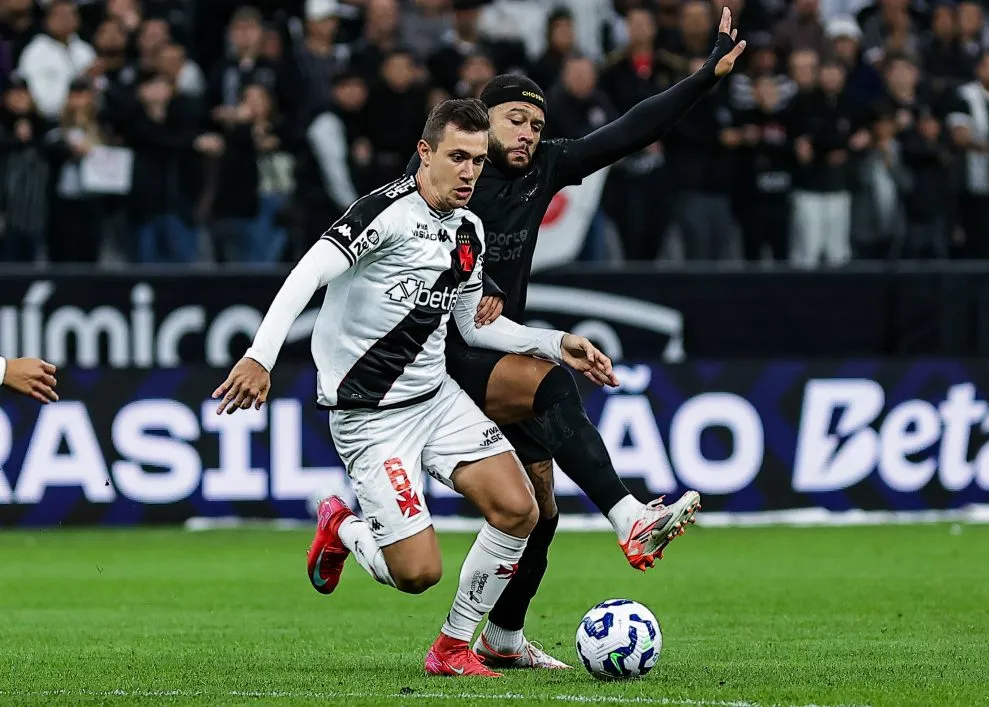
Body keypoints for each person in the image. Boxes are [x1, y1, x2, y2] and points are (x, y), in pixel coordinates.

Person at [211, 98, 617, 678]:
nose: (470, 172)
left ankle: (452, 648)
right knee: (416, 574)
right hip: (370, 419)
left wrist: (554, 344)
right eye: (457, 157)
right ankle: (341, 525)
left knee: (520, 509)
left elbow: (475, 323)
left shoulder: (467, 231)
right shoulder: (384, 214)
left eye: (478, 160)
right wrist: (260, 356)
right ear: (425, 154)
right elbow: (306, 273)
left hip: (437, 400)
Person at [401, 6, 746, 671]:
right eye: (515, 119)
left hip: (494, 343)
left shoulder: (544, 169)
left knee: (540, 509)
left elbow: (627, 131)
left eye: (537, 123)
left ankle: (500, 637)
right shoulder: (451, 175)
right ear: (479, 120)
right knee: (549, 379)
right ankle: (627, 515)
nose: (528, 133)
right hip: (438, 356)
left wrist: (705, 77)